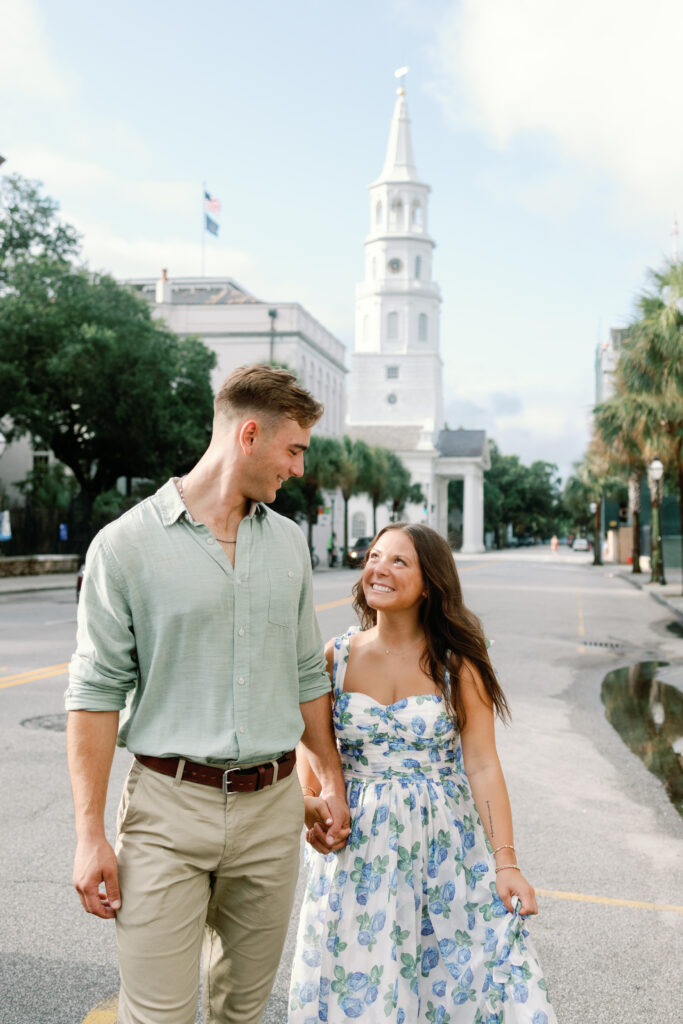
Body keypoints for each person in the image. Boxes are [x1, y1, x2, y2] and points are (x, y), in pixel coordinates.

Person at [65, 364, 350, 1024]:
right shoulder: (124, 546)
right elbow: (95, 695)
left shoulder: (288, 544)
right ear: (249, 434)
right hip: (167, 812)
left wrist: (328, 778)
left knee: (242, 1014)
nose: (299, 469)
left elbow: (307, 672)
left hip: (274, 814)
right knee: (158, 1015)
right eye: (294, 449)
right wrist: (88, 836)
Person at [289, 523, 557, 1023]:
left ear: (430, 582)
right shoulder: (336, 658)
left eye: (398, 561)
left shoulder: (458, 666)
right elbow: (313, 748)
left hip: (445, 850)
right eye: (373, 556)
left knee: (454, 987)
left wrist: (506, 863)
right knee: (362, 984)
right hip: (358, 856)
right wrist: (314, 813)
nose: (379, 569)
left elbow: (481, 764)